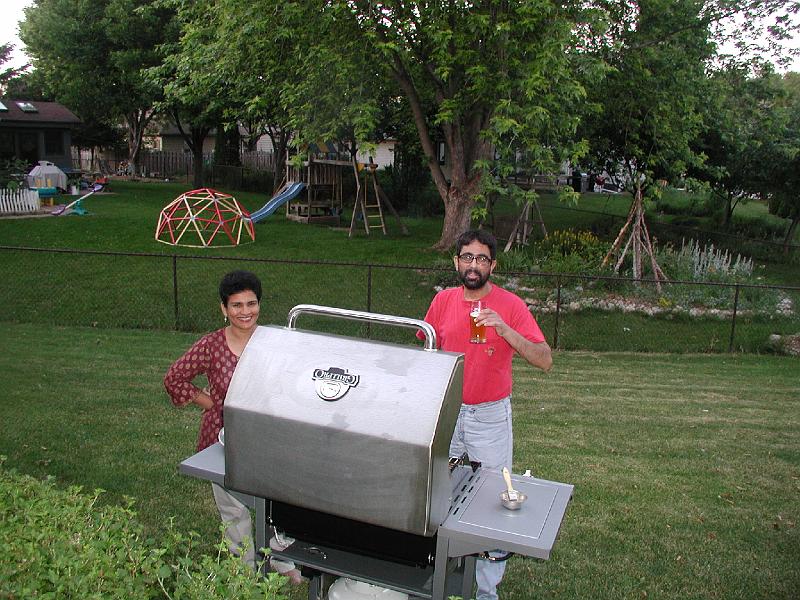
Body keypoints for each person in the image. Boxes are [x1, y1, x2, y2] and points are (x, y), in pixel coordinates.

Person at [420, 229, 552, 600]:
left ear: (492, 264)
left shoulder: (510, 305)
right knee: (439, 491)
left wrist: (505, 329)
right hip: (446, 414)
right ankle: (441, 576)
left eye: (481, 258)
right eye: (466, 257)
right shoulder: (443, 301)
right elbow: (425, 349)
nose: (473, 265)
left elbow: (545, 360)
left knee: (491, 500)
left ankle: (485, 592)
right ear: (456, 261)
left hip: (489, 416)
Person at [163, 270, 302, 584]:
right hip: (222, 440)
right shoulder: (212, 345)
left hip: (269, 437)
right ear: (224, 309)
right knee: (235, 510)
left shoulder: (274, 341)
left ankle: (281, 561)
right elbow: (174, 377)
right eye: (236, 305)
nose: (245, 312)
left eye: (251, 303)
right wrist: (209, 402)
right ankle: (244, 572)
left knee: (279, 505)